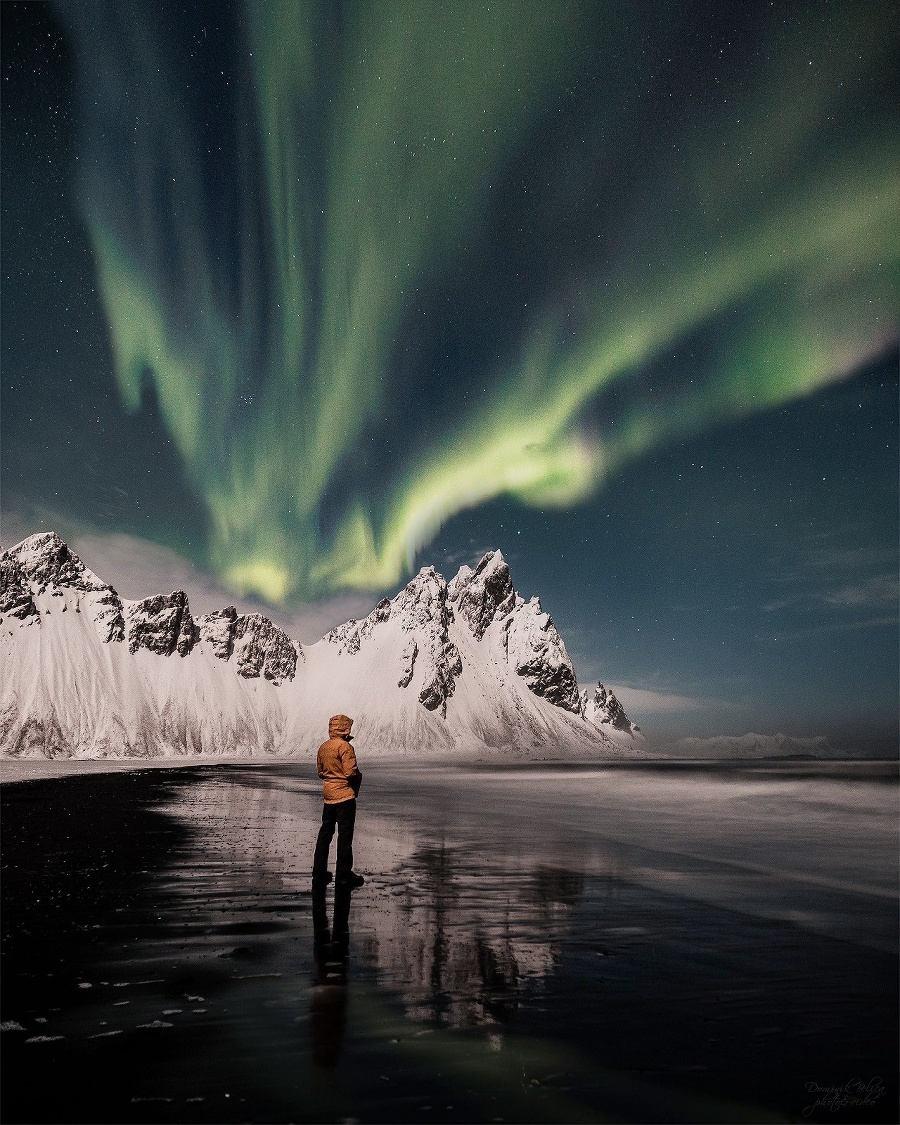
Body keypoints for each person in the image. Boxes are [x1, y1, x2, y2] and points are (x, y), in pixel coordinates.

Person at [312, 714, 364, 888]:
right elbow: (350, 772)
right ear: (345, 728)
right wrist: (357, 778)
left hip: (328, 796)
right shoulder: (345, 747)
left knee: (325, 834)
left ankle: (319, 872)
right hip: (345, 797)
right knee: (345, 836)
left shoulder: (323, 747)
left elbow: (320, 772)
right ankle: (343, 875)